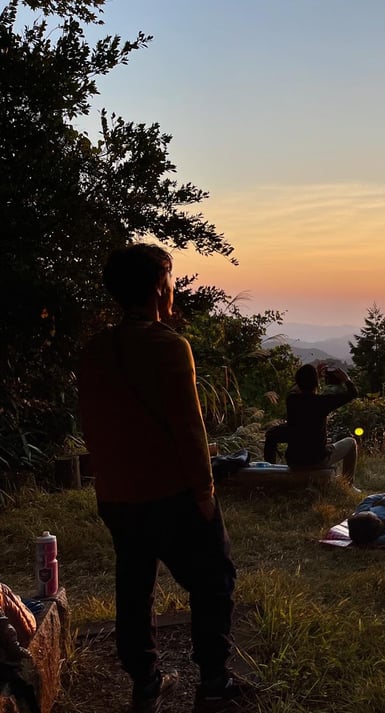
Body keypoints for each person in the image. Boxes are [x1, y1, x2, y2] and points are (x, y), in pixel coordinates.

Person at [78, 243, 248, 712]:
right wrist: (205, 494)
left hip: (116, 496)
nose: (174, 289)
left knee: (134, 585)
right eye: (171, 280)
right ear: (158, 286)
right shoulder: (169, 346)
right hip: (170, 494)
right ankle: (214, 682)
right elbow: (189, 430)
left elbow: (94, 424)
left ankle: (145, 681)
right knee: (214, 578)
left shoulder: (94, 351)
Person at [284, 363, 358, 478]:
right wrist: (346, 379)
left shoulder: (291, 400)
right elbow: (353, 393)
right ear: (316, 383)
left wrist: (315, 377)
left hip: (293, 461)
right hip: (316, 461)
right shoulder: (322, 402)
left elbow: (296, 389)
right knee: (351, 442)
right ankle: (348, 484)